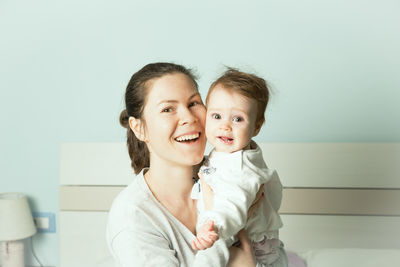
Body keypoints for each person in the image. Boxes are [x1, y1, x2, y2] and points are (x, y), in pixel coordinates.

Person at [106, 62, 262, 267]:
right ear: (139, 128)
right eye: (168, 109)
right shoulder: (133, 218)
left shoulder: (228, 176)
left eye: (193, 103)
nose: (188, 118)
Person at [191, 68, 288, 267]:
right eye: (216, 116)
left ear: (257, 126)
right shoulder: (227, 153)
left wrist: (212, 227)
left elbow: (232, 204)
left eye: (237, 119)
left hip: (252, 250)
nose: (225, 126)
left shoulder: (241, 167)